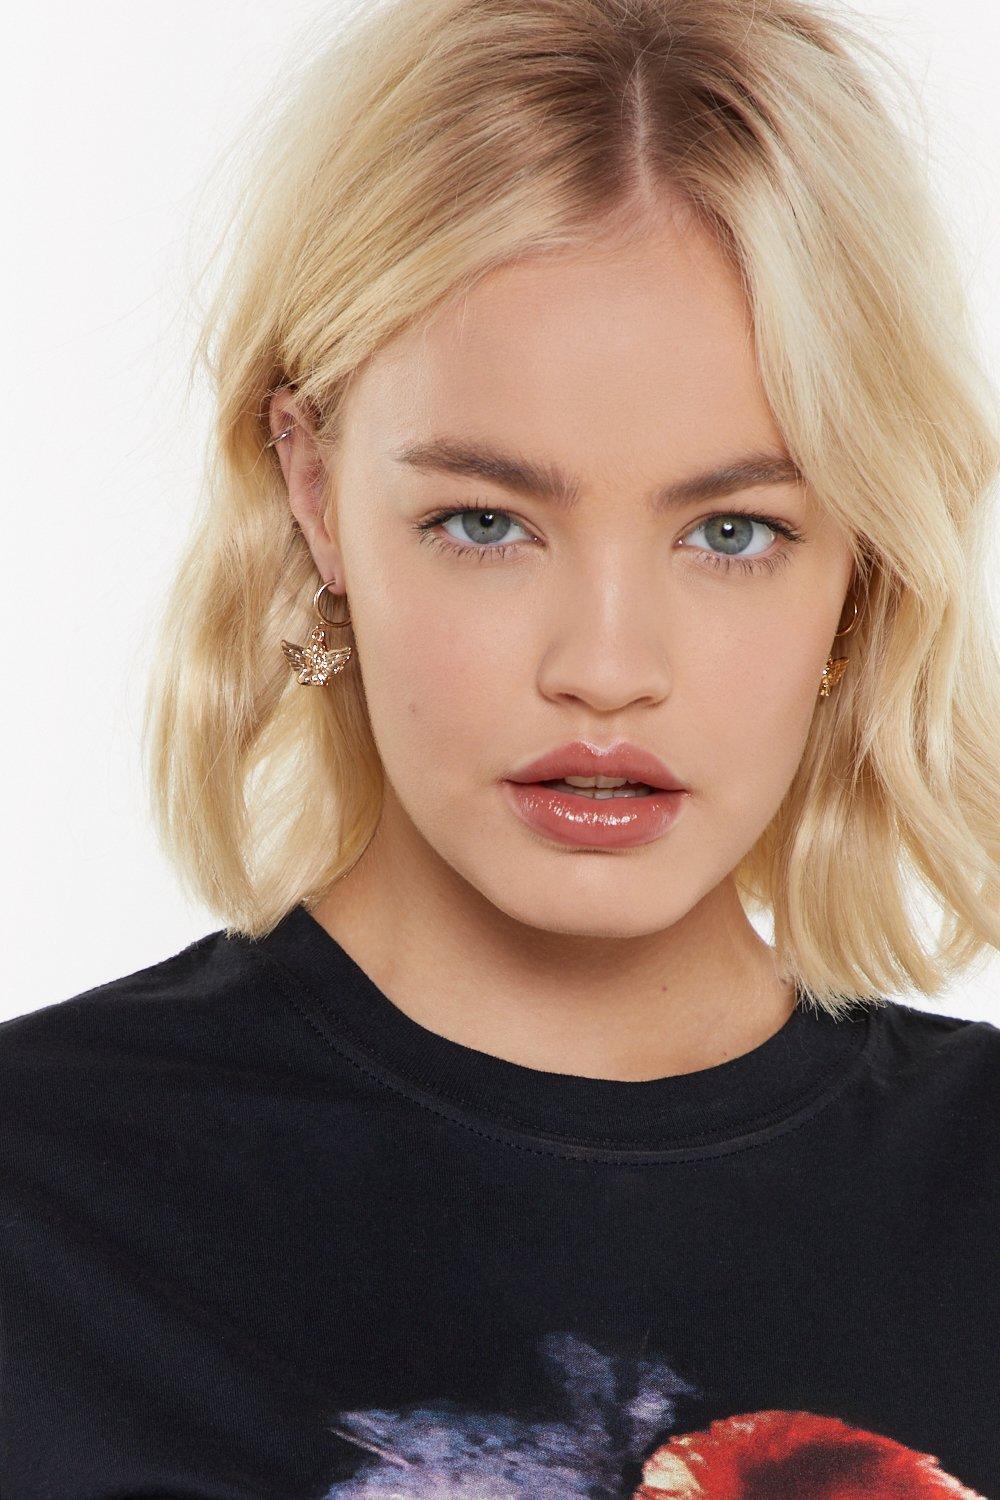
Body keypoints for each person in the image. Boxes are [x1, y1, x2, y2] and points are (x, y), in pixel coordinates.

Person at [3, 0, 999, 1494]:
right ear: (315, 491)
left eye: (734, 532)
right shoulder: (41, 1208)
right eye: (487, 522)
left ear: (864, 561)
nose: (605, 667)